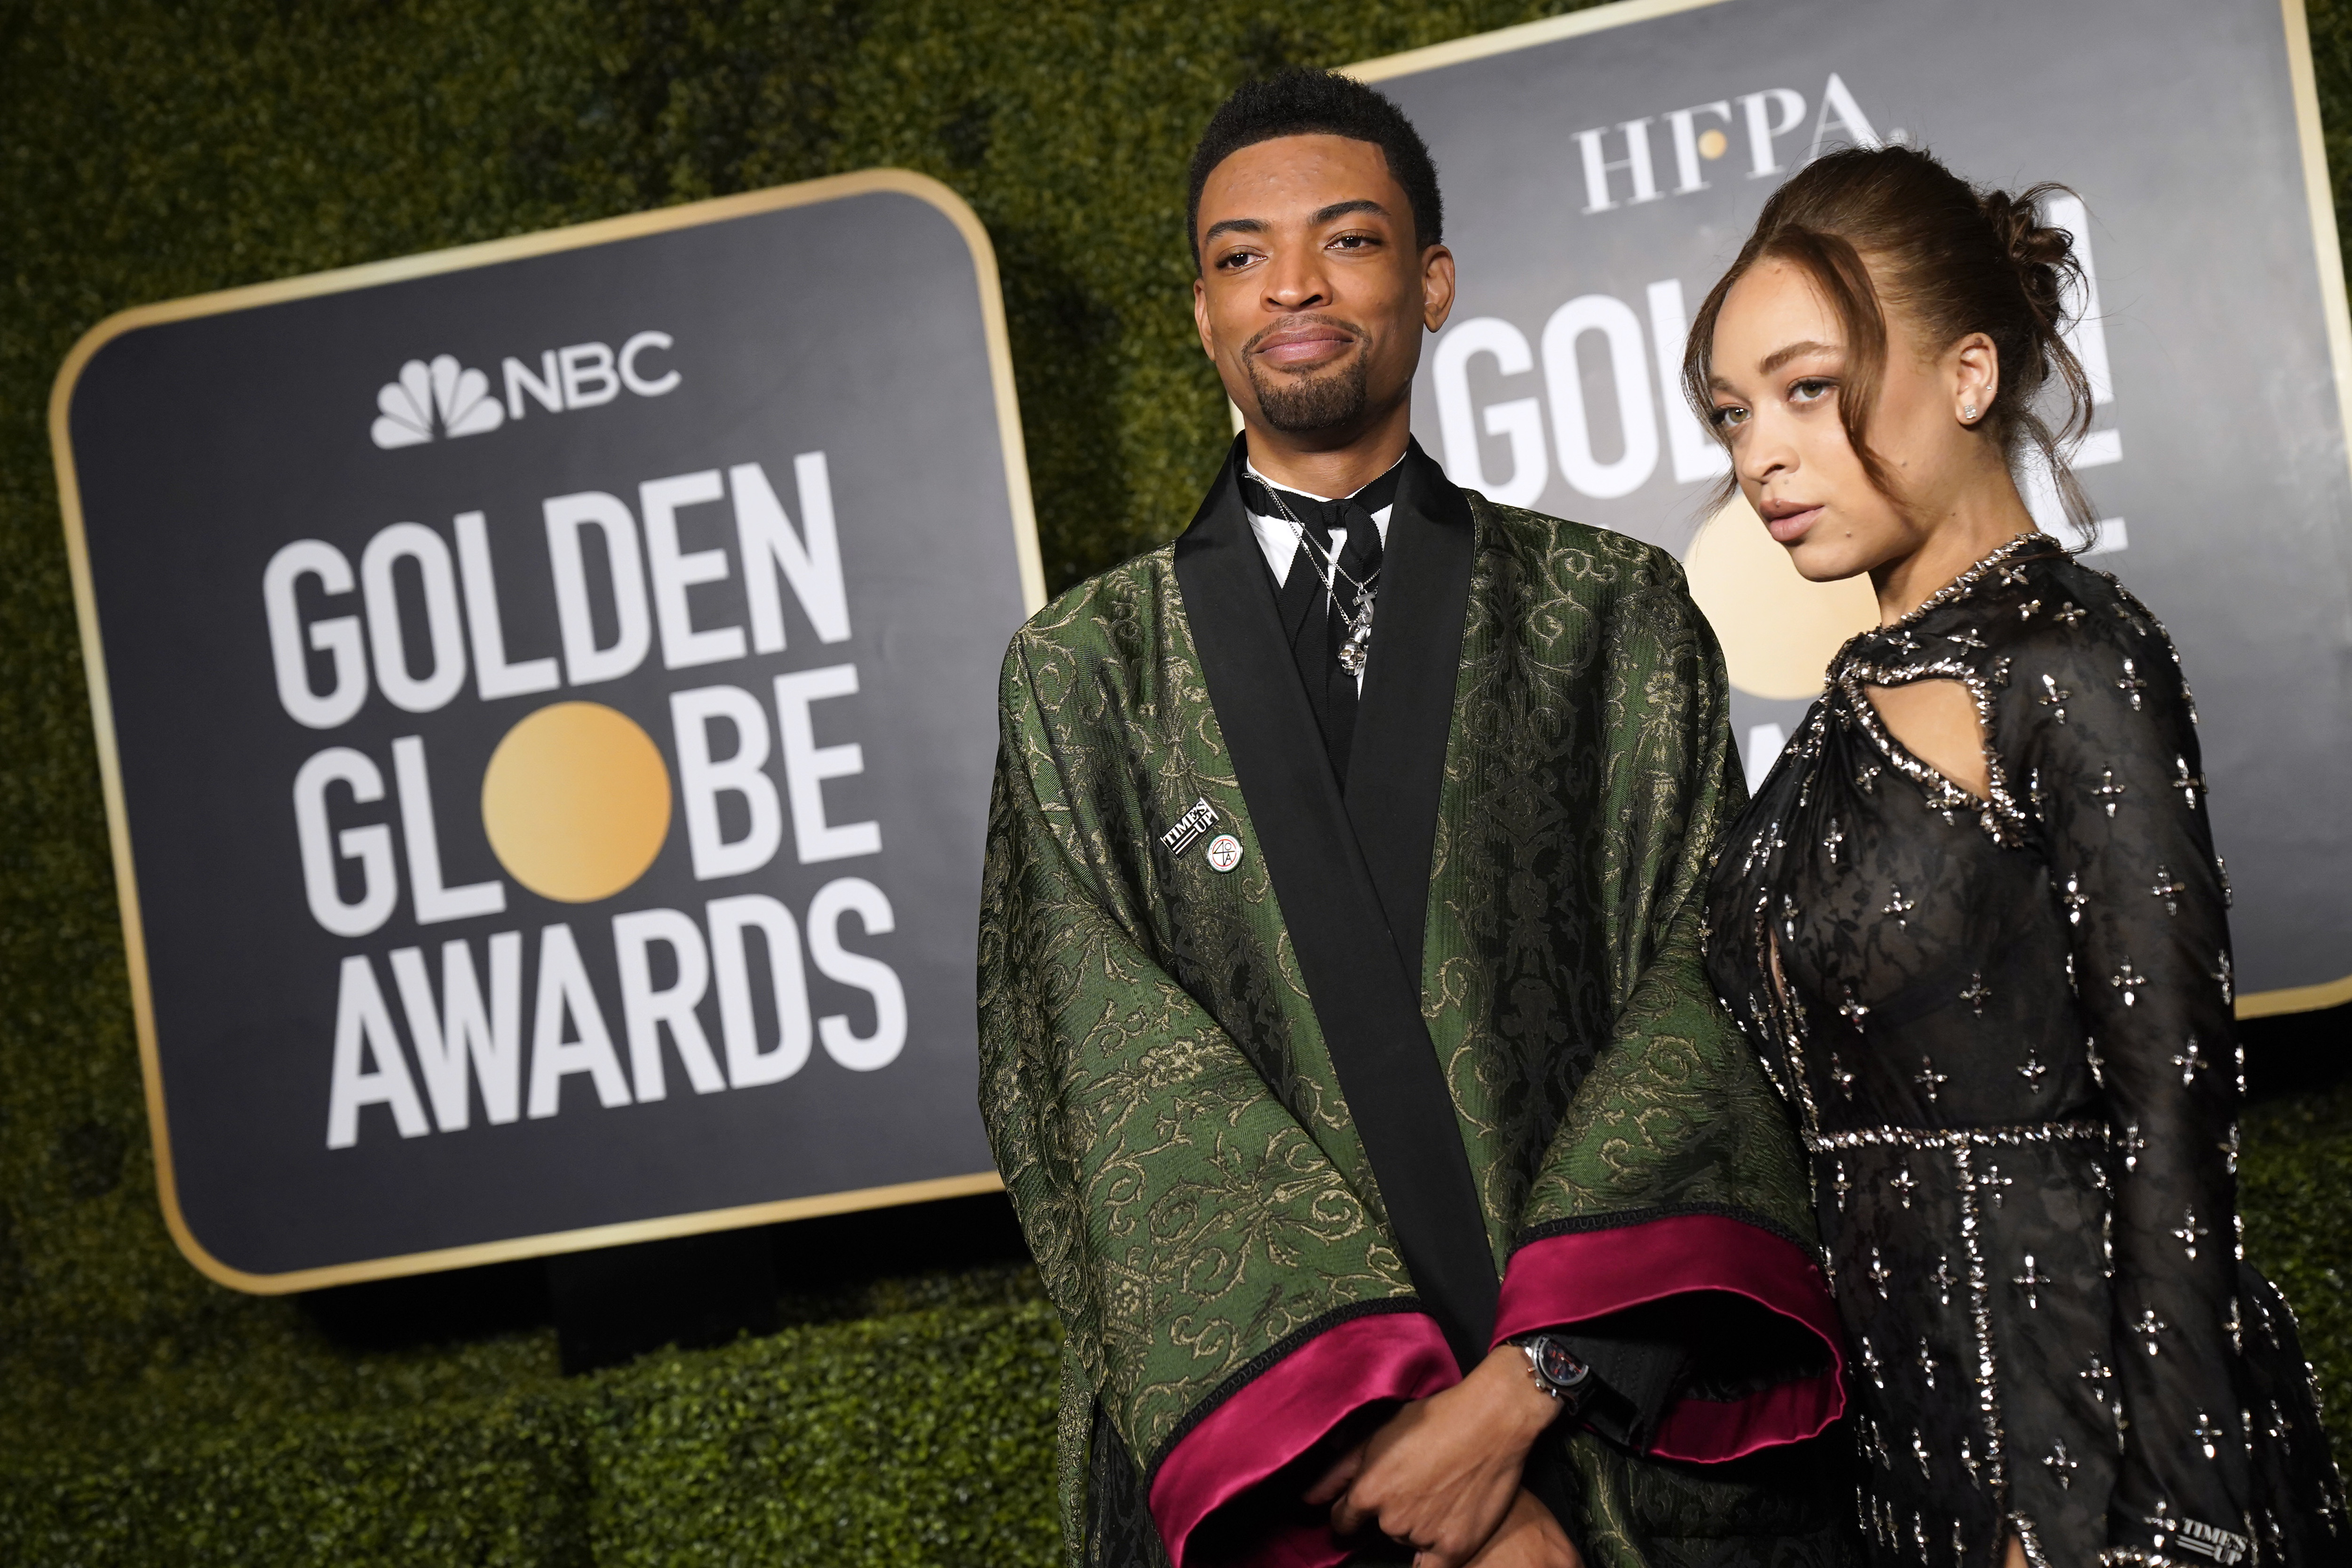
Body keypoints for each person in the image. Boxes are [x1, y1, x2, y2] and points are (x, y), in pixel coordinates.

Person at [979, 68, 1852, 1568]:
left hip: (1591, 1438)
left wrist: (1522, 1401)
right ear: (1202, 314)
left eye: (1350, 240)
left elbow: (1707, 1007)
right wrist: (1398, 1455)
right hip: (1289, 1482)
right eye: (1240, 256)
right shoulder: (1086, 676)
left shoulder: (1609, 615)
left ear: (1433, 282)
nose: (1293, 286)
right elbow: (1098, 1089)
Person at [1693, 145, 2348, 1568]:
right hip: (1887, 1464)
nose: (1760, 456)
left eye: (1809, 390)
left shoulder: (2070, 658)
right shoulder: (1837, 716)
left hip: (2083, 1465)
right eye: (1734, 414)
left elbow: (2174, 1116)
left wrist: (2160, 1526)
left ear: (1972, 375)